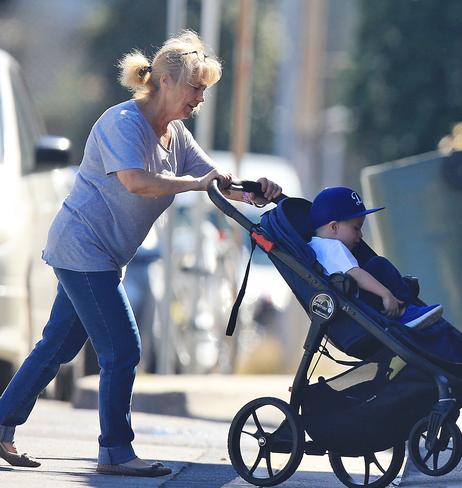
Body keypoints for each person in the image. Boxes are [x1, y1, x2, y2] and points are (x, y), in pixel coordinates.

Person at [0, 30, 282, 477]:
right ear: (166, 81)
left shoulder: (175, 135)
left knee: (57, 345)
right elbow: (136, 181)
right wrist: (196, 184)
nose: (200, 99)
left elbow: (216, 181)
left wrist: (257, 192)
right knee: (123, 350)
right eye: (195, 88)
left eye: (204, 90)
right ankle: (115, 451)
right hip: (83, 248)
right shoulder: (123, 124)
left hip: (104, 256)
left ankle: (1, 424)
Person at [309, 186, 443, 329]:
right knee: (379, 265)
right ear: (334, 227)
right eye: (356, 228)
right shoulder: (332, 246)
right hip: (358, 305)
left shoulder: (312, 246)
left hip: (347, 308)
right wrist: (386, 294)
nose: (361, 235)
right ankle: (406, 312)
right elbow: (355, 274)